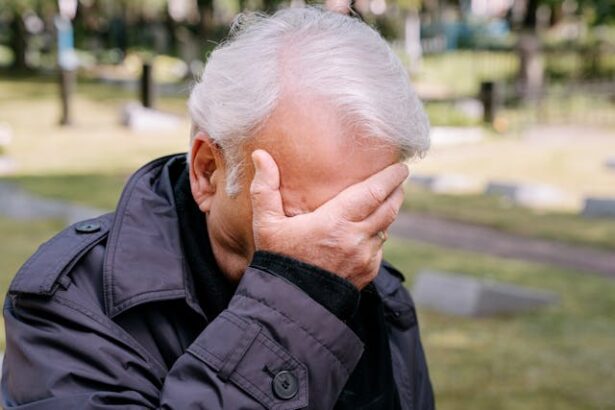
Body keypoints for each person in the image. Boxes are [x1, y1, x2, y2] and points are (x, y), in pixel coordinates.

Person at [2, 6, 434, 409]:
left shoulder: (381, 294)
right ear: (207, 170)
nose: (340, 245)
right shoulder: (72, 306)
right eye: (302, 215)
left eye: (363, 216)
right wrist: (299, 300)